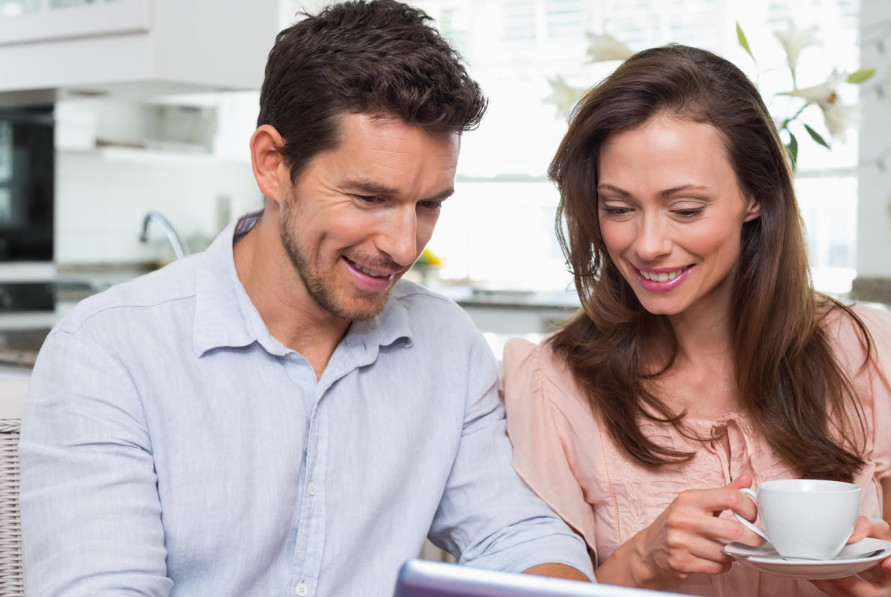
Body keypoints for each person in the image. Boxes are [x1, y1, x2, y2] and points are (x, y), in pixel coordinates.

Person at [18, 2, 593, 595]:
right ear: (273, 165)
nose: (402, 246)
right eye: (369, 197)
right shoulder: (108, 351)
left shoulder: (446, 344)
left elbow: (516, 536)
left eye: (428, 205)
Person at [501, 44, 891, 597]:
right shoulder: (554, 384)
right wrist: (642, 562)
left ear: (754, 196)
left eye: (685, 209)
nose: (648, 245)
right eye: (618, 207)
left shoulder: (852, 349)